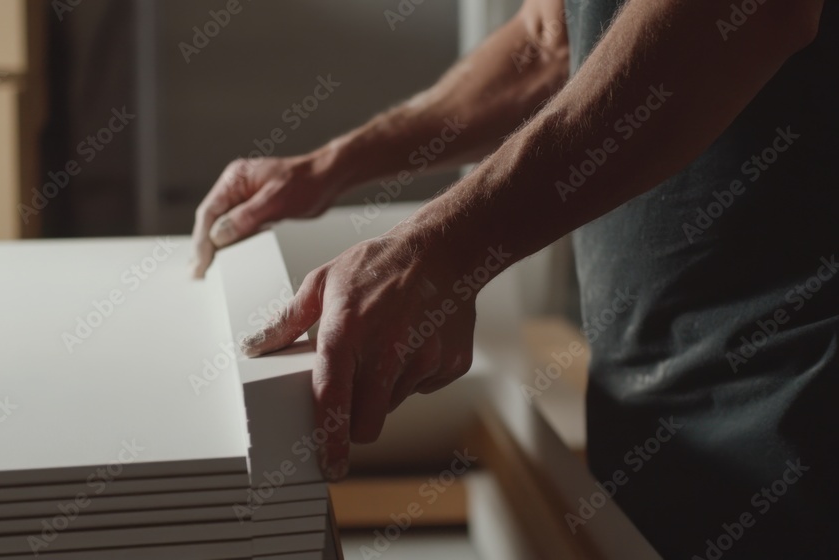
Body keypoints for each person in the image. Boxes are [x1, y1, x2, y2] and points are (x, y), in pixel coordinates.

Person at [190, 0, 836, 557]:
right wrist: (331, 165)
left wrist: (442, 250)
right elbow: (549, 41)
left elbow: (746, 15)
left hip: (797, 384)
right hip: (653, 385)